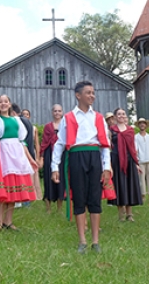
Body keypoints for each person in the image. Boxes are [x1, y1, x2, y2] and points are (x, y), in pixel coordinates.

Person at [51, 81, 113, 254]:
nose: (92, 95)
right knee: (78, 197)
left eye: (93, 93)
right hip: (77, 156)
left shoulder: (99, 118)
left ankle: (95, 241)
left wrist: (107, 166)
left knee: (94, 197)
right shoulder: (69, 117)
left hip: (94, 156)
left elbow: (104, 145)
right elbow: (60, 143)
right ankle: (82, 240)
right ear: (78, 95)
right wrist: (54, 166)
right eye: (88, 93)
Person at [0, 95, 37, 231]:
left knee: (13, 189)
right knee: (4, 189)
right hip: (4, 154)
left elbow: (22, 141)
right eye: (0, 102)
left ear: (9, 104)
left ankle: (9, 221)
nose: (3, 104)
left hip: (17, 155)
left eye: (5, 101)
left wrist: (31, 160)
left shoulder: (17, 121)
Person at [108, 108, 143, 221]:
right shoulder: (111, 130)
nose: (121, 116)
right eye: (119, 114)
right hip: (116, 160)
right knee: (119, 185)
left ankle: (129, 214)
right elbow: (108, 147)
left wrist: (136, 163)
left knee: (129, 185)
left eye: (123, 114)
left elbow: (132, 147)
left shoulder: (130, 130)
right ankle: (121, 214)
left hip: (129, 160)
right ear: (115, 117)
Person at [39, 104, 65, 213]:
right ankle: (48, 208)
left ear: (62, 112)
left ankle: (59, 208)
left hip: (62, 154)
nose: (57, 113)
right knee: (48, 179)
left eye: (59, 111)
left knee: (61, 180)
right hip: (49, 153)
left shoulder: (65, 126)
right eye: (55, 111)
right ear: (52, 112)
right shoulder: (47, 127)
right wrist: (41, 157)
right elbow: (44, 142)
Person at [19, 107, 43, 202]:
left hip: (31, 150)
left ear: (29, 116)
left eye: (27, 114)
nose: (25, 116)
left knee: (32, 172)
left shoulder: (33, 128)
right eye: (23, 114)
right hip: (21, 151)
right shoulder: (19, 127)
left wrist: (37, 156)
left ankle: (34, 194)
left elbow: (37, 143)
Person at [134, 117, 149, 203]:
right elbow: (135, 149)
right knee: (141, 179)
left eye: (143, 123)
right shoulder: (136, 137)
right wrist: (136, 161)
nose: (142, 124)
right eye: (140, 123)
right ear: (138, 125)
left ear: (146, 125)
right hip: (141, 160)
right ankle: (143, 195)